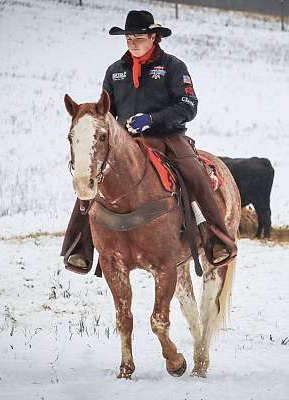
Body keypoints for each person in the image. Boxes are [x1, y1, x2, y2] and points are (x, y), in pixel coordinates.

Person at [61, 10, 237, 274]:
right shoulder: (115, 72)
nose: (133, 42)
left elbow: (188, 106)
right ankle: (80, 247)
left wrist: (152, 119)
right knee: (92, 178)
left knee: (195, 174)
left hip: (168, 138)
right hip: (126, 142)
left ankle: (217, 239)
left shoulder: (173, 67)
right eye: (128, 37)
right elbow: (104, 112)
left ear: (154, 37)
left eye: (139, 36)